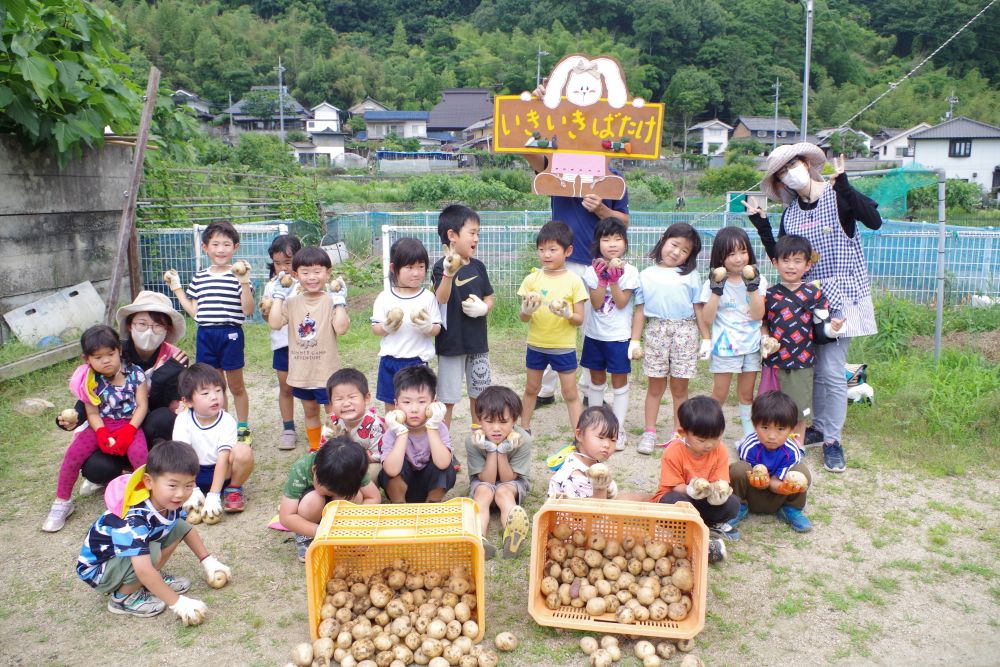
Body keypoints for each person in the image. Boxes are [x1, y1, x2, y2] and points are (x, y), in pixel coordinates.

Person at [746, 144, 881, 472]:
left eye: (792, 165)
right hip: (802, 298)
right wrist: (762, 225)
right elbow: (782, 254)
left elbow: (873, 220)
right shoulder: (791, 213)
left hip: (842, 294)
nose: (789, 173)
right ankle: (817, 425)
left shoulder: (838, 195)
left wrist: (846, 186)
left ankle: (833, 439)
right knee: (811, 369)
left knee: (832, 369)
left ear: (807, 163)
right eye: (781, 172)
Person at [76, 440, 232, 621]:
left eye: (189, 485)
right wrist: (179, 603)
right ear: (149, 482)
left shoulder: (167, 503)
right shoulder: (134, 519)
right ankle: (122, 598)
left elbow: (185, 529)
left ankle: (148, 583)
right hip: (99, 571)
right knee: (151, 554)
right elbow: (143, 569)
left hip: (121, 560)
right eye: (172, 485)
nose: (181, 493)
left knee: (178, 527)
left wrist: (208, 562)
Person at [521, 151, 630, 408]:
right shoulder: (559, 168)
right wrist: (525, 140)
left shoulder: (614, 178)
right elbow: (533, 158)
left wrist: (603, 209)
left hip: (597, 264)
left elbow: (625, 220)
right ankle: (544, 390)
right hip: (562, 261)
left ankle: (588, 389)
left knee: (592, 328)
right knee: (550, 319)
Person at [58, 291, 190, 492]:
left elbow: (166, 404)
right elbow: (93, 390)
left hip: (144, 423)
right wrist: (74, 418)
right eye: (142, 324)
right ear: (130, 325)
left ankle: (157, 468)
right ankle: (125, 468)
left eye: (158, 325)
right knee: (96, 469)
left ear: (167, 329)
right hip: (111, 426)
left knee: (164, 418)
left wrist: (161, 377)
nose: (149, 330)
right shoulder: (113, 351)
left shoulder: (175, 358)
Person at [44, 325, 149, 533]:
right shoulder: (88, 380)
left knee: (140, 455)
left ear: (119, 350)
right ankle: (62, 501)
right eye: (98, 357)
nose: (106, 360)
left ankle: (146, 500)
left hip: (130, 423)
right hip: (101, 424)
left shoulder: (136, 373)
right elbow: (92, 412)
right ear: (87, 359)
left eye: (110, 354)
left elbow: (142, 405)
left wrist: (129, 430)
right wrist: (101, 432)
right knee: (73, 454)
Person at [165, 220, 255, 445]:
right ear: (205, 247)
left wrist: (244, 282)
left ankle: (242, 427)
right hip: (205, 335)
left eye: (226, 244)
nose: (221, 249)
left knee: (236, 385)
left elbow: (248, 310)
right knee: (216, 386)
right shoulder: (200, 277)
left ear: (235, 247)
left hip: (231, 334)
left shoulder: (238, 275)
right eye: (215, 244)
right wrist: (176, 288)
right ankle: (221, 425)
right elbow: (195, 311)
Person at [760, 235, 846, 449]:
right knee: (767, 406)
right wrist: (764, 339)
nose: (791, 266)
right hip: (773, 362)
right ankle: (768, 445)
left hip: (802, 362)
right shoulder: (768, 294)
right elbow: (763, 323)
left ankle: (796, 448)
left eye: (797, 261)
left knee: (799, 409)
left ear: (808, 265)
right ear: (775, 263)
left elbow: (821, 327)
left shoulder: (814, 294)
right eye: (786, 260)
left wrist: (834, 329)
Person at [268, 246, 350, 452]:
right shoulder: (292, 302)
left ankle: (335, 448)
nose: (312, 277)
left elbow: (341, 329)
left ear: (328, 272)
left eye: (317, 271)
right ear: (295, 275)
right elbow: (275, 323)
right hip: (302, 372)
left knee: (333, 412)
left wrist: (339, 302)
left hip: (326, 372)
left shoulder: (330, 300)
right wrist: (278, 296)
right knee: (310, 411)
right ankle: (315, 448)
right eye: (305, 272)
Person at [633, 223, 705, 454]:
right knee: (655, 386)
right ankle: (649, 432)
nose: (676, 252)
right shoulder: (645, 275)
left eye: (684, 250)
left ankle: (678, 433)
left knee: (680, 388)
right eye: (674, 245)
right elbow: (640, 310)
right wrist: (634, 340)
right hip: (656, 331)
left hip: (685, 331)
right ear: (663, 240)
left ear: (690, 256)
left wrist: (707, 338)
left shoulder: (692, 276)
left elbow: (698, 308)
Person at [517, 221, 588, 432]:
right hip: (536, 344)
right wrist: (527, 311)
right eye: (541, 249)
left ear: (568, 251)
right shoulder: (532, 279)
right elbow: (523, 318)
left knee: (570, 393)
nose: (546, 255)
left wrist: (567, 314)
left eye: (552, 249)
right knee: (531, 389)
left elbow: (579, 319)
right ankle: (524, 428)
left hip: (563, 346)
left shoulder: (574, 281)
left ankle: (578, 433)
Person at [651, 396, 738, 562]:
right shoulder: (674, 451)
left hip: (705, 502)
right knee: (671, 500)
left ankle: (710, 523)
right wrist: (691, 489)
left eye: (716, 438)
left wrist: (719, 494)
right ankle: (686, 529)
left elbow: (721, 481)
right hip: (682, 498)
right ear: (683, 433)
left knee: (733, 503)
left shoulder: (720, 450)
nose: (709, 445)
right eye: (702, 440)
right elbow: (674, 486)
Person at [699, 227, 767, 437]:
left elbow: (758, 315)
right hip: (725, 345)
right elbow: (707, 318)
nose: (738, 259)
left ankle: (748, 435)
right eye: (731, 254)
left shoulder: (759, 280)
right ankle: (708, 432)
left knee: (746, 394)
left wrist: (753, 288)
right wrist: (716, 292)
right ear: (720, 256)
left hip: (751, 345)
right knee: (719, 393)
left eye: (743, 251)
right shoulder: (713, 282)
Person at [432, 204, 494, 428]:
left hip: (478, 342)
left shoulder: (478, 266)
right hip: (451, 343)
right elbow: (441, 298)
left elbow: (490, 296)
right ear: (452, 235)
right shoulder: (441, 267)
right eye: (472, 232)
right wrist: (449, 274)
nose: (476, 238)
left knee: (480, 395)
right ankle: (444, 443)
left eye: (478, 233)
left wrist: (485, 308)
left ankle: (480, 437)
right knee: (447, 399)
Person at [581, 217, 641, 450]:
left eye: (617, 239)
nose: (612, 244)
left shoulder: (631, 271)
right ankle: (596, 428)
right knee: (596, 382)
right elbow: (596, 304)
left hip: (619, 336)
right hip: (595, 335)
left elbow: (622, 301)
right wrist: (600, 278)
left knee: (619, 383)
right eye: (606, 239)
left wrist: (613, 280)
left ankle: (618, 430)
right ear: (598, 243)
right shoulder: (590, 270)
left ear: (625, 242)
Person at [279, 436, 381, 562]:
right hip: (312, 518)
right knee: (314, 499)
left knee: (356, 495)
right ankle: (306, 538)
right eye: (330, 491)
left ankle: (344, 536)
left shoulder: (352, 468)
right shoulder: (302, 467)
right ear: (314, 470)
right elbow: (286, 517)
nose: (333, 493)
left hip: (339, 519)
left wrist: (354, 524)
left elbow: (373, 497)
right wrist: (323, 531)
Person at [172, 363, 255, 515]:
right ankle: (189, 491)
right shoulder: (182, 420)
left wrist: (213, 496)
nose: (214, 397)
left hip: (223, 473)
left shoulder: (227, 420)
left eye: (218, 391)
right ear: (188, 401)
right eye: (205, 393)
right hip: (193, 472)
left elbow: (223, 458)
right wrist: (193, 487)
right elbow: (183, 457)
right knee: (172, 455)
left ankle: (233, 489)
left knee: (244, 451)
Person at [371, 237, 442, 411]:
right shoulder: (385, 297)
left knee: (419, 406)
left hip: (417, 363)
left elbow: (437, 328)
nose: (416, 273)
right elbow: (376, 328)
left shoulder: (428, 297)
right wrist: (386, 327)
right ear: (394, 268)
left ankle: (418, 438)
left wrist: (427, 328)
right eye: (409, 267)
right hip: (390, 361)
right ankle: (393, 436)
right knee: (392, 405)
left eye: (421, 267)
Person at [728, 391, 813, 534]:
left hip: (778, 496)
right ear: (755, 425)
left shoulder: (792, 450)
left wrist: (784, 487)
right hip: (753, 495)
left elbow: (775, 481)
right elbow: (747, 475)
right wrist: (759, 479)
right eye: (765, 428)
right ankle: (739, 506)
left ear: (791, 429)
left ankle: (791, 510)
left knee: (802, 472)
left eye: (780, 429)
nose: (772, 436)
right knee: (737, 469)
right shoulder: (749, 446)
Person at [465, 386, 532, 559]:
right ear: (479, 419)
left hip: (511, 483)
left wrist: (502, 451)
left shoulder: (523, 439)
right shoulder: (472, 441)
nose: (496, 428)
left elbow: (507, 478)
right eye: (489, 421)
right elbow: (486, 479)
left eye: (503, 422)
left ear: (514, 420)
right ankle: (478, 538)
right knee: (484, 491)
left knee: (503, 491)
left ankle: (512, 537)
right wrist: (490, 450)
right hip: (484, 481)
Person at [377, 365, 456, 503]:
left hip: (429, 486)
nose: (414, 409)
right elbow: (391, 470)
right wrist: (401, 433)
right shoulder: (393, 430)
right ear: (396, 404)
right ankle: (400, 507)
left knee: (447, 468)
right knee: (388, 470)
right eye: (406, 402)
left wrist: (432, 426)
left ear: (433, 403)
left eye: (421, 402)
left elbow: (443, 464)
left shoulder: (439, 427)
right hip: (403, 488)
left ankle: (431, 506)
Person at [261, 233, 302, 450]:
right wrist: (267, 311)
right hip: (282, 345)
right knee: (285, 387)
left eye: (287, 262)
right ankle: (288, 427)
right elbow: (268, 318)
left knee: (311, 388)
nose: (283, 268)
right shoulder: (271, 286)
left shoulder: (304, 283)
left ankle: (323, 425)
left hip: (305, 345)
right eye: (278, 263)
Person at [547, 405, 621, 499]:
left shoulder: (581, 458)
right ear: (580, 435)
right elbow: (593, 510)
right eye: (601, 437)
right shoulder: (576, 476)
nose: (607, 444)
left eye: (613, 440)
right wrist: (602, 489)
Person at [324, 368, 386, 467]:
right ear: (331, 403)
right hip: (340, 463)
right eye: (339, 399)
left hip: (367, 464)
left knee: (375, 469)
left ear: (366, 398)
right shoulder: (332, 422)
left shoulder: (375, 425)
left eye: (352, 397)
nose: (346, 404)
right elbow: (325, 449)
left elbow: (381, 455)